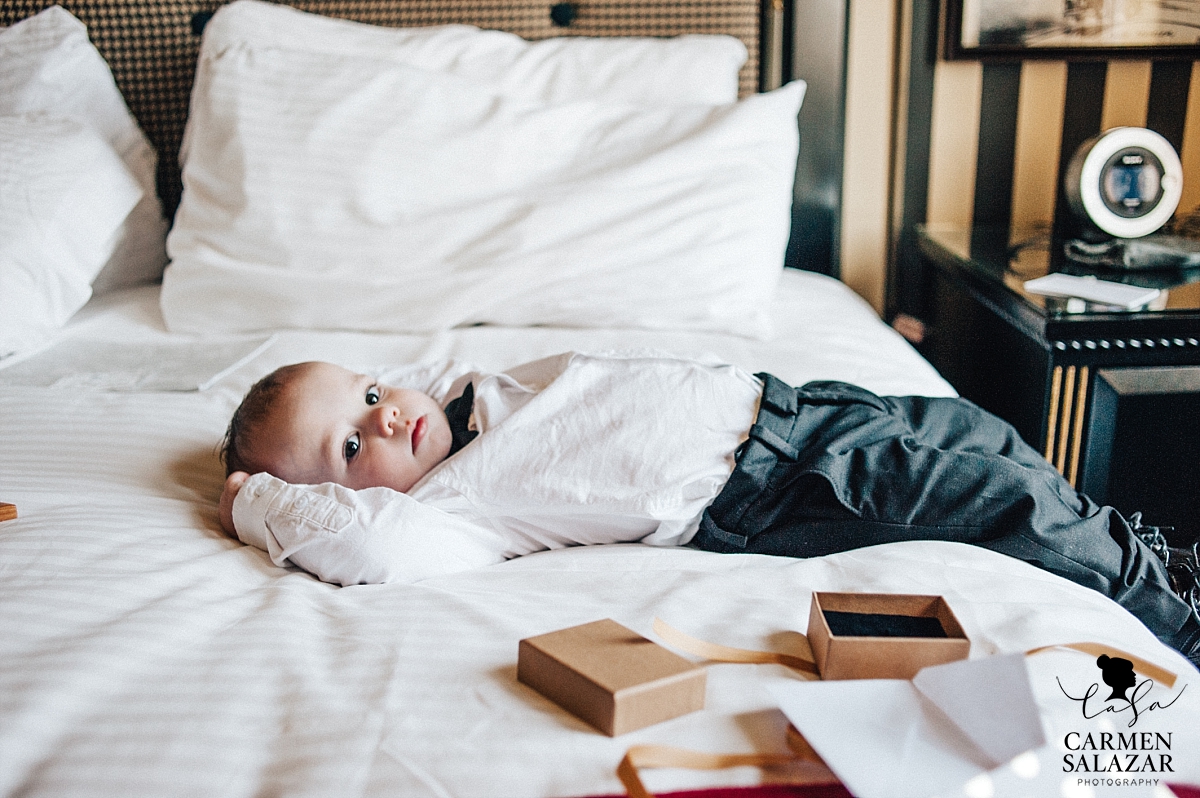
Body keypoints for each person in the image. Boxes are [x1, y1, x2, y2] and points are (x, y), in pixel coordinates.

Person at [218, 350, 1200, 667]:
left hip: (801, 407)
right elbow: (376, 549)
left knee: (986, 436)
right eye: (352, 448)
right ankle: (1172, 617)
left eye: (367, 394)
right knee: (1004, 498)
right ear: (328, 496)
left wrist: (364, 427)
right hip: (779, 486)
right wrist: (261, 502)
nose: (386, 419)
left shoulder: (462, 400)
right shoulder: (449, 510)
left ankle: (1148, 558)